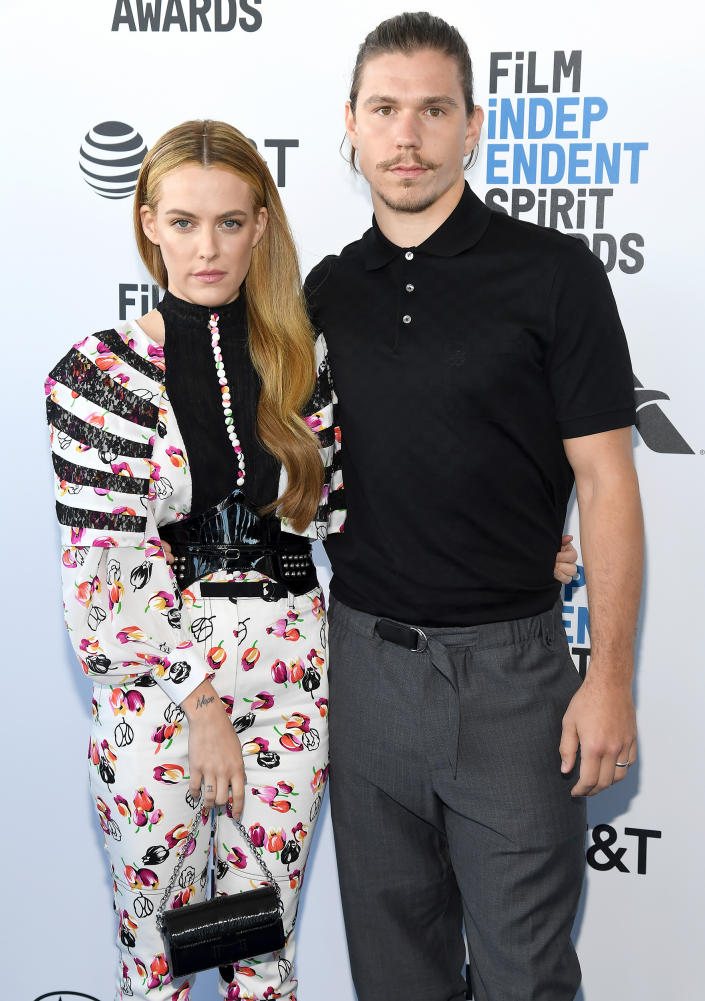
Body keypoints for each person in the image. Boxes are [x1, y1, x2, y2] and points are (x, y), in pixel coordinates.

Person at [305, 13, 643, 1001]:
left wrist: (610, 676)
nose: (406, 136)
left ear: (472, 127)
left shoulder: (555, 274)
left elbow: (609, 481)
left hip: (514, 682)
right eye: (385, 110)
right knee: (397, 979)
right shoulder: (323, 291)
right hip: (364, 673)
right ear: (353, 126)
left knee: (526, 977)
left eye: (432, 110)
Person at [45, 120, 345, 1001]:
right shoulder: (99, 374)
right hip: (162, 693)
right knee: (164, 952)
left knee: (261, 948)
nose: (205, 247)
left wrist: (512, 549)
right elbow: (103, 574)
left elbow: (345, 515)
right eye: (182, 222)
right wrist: (200, 700)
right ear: (147, 223)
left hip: (292, 684)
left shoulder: (303, 362)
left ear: (261, 225)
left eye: (227, 222)